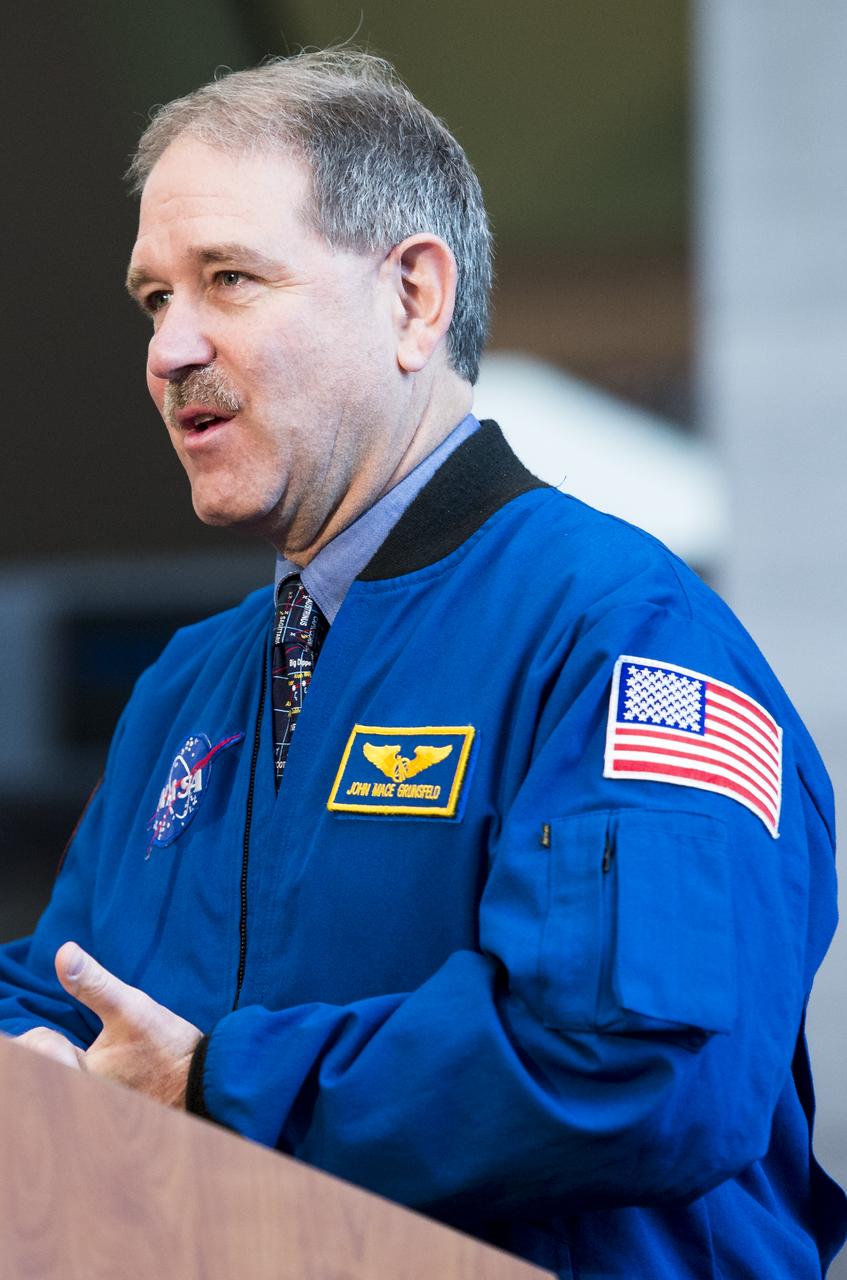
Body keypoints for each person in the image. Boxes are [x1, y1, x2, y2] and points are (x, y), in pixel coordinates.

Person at [1, 49, 845, 1279]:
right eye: (150, 299)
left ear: (413, 298)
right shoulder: (185, 690)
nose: (169, 347)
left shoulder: (623, 635)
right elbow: (73, 998)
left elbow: (646, 1069)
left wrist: (217, 1085)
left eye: (228, 279)